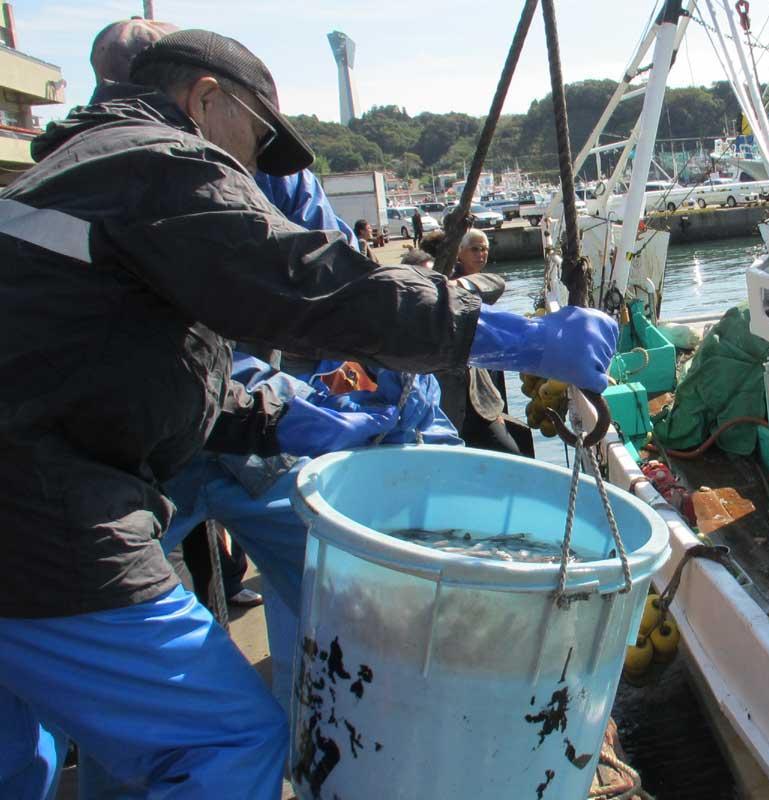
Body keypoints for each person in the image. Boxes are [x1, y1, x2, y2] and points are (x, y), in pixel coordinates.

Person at [0, 28, 617, 800]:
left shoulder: (60, 175)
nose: (256, 168)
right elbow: (311, 283)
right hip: (42, 519)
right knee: (227, 740)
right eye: (257, 141)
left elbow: (86, 366)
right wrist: (509, 337)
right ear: (205, 100)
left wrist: (274, 420)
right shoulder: (161, 163)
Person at [436, 229, 520, 454]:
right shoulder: (442, 287)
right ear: (459, 252)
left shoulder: (473, 286)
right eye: (475, 249)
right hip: (452, 399)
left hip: (482, 394)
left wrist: (458, 286)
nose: (481, 254)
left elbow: (497, 284)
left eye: (484, 249)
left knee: (509, 453)